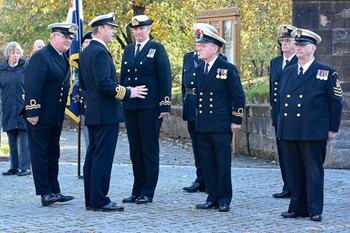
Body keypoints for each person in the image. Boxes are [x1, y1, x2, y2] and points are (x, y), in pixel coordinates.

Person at [79, 13, 148, 212]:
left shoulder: (87, 51)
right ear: (100, 29)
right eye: (111, 28)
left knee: (93, 155)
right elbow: (104, 83)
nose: (114, 31)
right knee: (102, 157)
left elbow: (84, 85)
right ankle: (100, 200)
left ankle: (92, 200)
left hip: (93, 111)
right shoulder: (99, 52)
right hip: (105, 113)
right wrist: (129, 92)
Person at [278, 28, 343, 222]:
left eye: (302, 45)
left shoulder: (326, 73)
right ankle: (297, 208)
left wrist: (332, 128)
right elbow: (281, 101)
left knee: (313, 172)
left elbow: (336, 102)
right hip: (289, 129)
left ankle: (315, 209)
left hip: (312, 130)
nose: (297, 48)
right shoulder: (288, 72)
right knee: (293, 171)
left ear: (312, 48)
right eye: (296, 44)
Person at [23, 22, 78, 206]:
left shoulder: (62, 58)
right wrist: (32, 111)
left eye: (71, 38)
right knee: (40, 154)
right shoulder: (41, 57)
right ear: (54, 37)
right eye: (65, 37)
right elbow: (32, 86)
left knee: (53, 153)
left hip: (54, 115)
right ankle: (45, 193)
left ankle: (55, 190)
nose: (69, 40)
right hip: (39, 115)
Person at [120, 15, 172, 205]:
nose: (139, 32)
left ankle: (147, 191)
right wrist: (121, 97)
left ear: (149, 29)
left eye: (142, 29)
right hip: (130, 106)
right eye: (136, 29)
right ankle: (137, 189)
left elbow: (165, 76)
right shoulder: (128, 50)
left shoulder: (156, 49)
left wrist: (165, 104)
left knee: (149, 149)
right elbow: (124, 78)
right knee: (135, 150)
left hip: (150, 107)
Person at [194, 25, 245, 212]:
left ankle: (224, 199)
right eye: (199, 44)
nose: (198, 47)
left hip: (221, 125)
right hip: (204, 124)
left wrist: (236, 120)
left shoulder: (227, 69)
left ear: (215, 48)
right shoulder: (200, 69)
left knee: (222, 163)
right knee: (207, 163)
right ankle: (212, 197)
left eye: (203, 45)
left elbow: (238, 97)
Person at [181, 23, 220, 193]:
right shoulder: (188, 57)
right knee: (196, 145)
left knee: (208, 146)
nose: (198, 42)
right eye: (197, 38)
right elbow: (184, 83)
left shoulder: (219, 60)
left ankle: (211, 178)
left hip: (206, 106)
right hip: (191, 104)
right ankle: (200, 177)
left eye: (201, 39)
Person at [269, 25, 297, 199]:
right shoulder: (275, 62)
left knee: (294, 152)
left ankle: (296, 187)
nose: (284, 44)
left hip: (294, 116)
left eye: (288, 41)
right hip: (279, 115)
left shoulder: (299, 62)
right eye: (282, 41)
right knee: (283, 152)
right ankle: (287, 185)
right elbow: (273, 89)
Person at [0, 42, 31, 176]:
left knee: (24, 139)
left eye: (17, 52)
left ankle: (25, 167)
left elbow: (32, 84)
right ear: (8, 54)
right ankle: (14, 167)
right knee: (11, 138)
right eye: (13, 52)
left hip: (23, 107)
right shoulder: (2, 69)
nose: (15, 55)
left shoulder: (25, 66)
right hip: (8, 107)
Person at [80, 31, 92, 149]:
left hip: (94, 103)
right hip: (83, 103)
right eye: (86, 42)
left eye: (90, 42)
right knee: (88, 137)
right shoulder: (77, 59)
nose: (88, 44)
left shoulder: (98, 56)